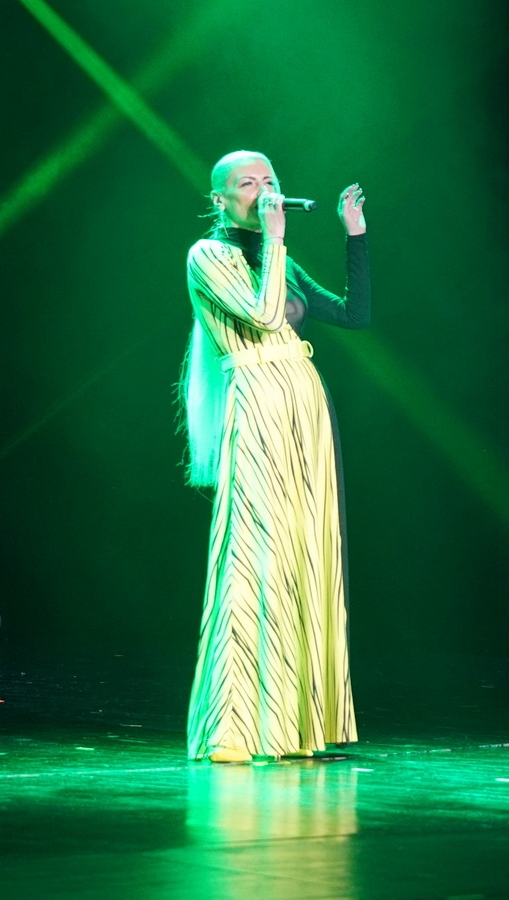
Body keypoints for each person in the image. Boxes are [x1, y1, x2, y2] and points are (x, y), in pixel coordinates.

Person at [181, 151, 369, 763]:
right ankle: (235, 727)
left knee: (305, 550)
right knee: (253, 554)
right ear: (220, 199)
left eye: (271, 181)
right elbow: (263, 318)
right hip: (257, 402)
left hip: (303, 404)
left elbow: (355, 314)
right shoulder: (208, 255)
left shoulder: (279, 258)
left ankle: (298, 723)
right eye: (248, 183)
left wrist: (355, 236)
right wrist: (277, 238)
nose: (263, 192)